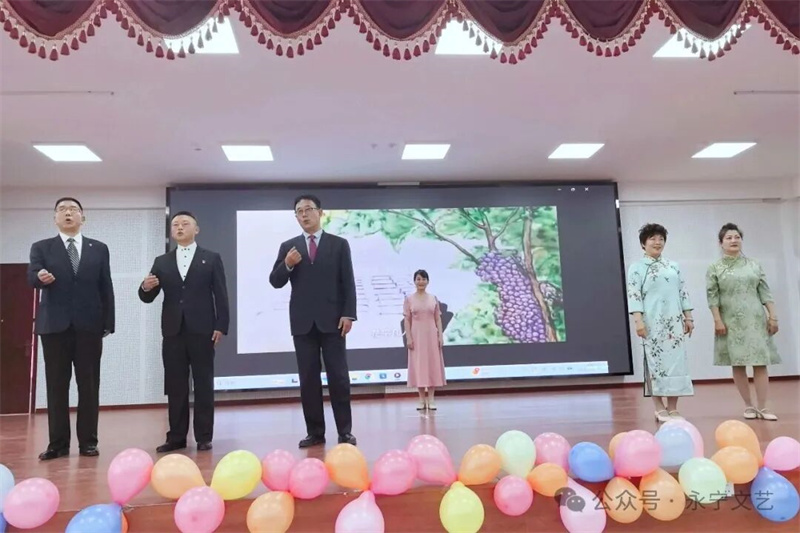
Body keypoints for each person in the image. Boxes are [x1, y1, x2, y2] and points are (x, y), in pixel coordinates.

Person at [27, 197, 115, 460]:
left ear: (82, 218)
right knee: (56, 386)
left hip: (90, 326)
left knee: (89, 385)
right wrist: (39, 277)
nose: (68, 213)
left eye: (73, 209)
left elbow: (105, 286)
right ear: (55, 218)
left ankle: (88, 442)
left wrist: (109, 322)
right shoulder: (42, 247)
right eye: (62, 210)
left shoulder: (99, 248)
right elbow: (32, 275)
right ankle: (58, 444)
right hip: (54, 327)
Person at [269, 194, 357, 448]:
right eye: (299, 211)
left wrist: (348, 314)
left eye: (309, 209)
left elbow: (348, 282)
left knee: (339, 378)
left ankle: (345, 431)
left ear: (320, 212)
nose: (304, 214)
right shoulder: (289, 247)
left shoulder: (339, 244)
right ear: (295, 217)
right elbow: (275, 281)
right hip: (302, 323)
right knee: (308, 379)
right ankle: (315, 432)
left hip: (333, 322)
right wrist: (287, 264)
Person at [139, 211, 229, 452]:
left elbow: (221, 294)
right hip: (173, 331)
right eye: (175, 224)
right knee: (176, 385)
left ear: (196, 229)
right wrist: (145, 287)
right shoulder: (162, 261)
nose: (179, 227)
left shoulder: (211, 258)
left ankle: (204, 436)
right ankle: (176, 437)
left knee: (203, 384)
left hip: (203, 329)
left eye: (185, 224)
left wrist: (221, 325)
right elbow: (148, 296)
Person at [706, 223, 781, 421]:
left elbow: (765, 292)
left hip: (755, 320)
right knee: (738, 363)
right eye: (729, 238)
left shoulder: (754, 264)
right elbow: (712, 297)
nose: (734, 240)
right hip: (730, 322)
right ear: (721, 243)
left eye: (737, 237)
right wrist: (717, 320)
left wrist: (773, 316)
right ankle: (748, 406)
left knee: (760, 362)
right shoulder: (715, 268)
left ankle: (763, 407)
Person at [626, 224, 694, 422]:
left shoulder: (673, 266)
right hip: (652, 322)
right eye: (652, 239)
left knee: (676, 364)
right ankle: (658, 407)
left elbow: (682, 292)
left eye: (661, 239)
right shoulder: (637, 268)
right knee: (654, 363)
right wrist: (638, 321)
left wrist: (688, 317)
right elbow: (634, 295)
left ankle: (673, 407)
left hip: (674, 322)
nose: (657, 242)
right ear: (643, 244)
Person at [404, 269, 447, 411]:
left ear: (428, 281)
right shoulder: (409, 299)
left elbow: (438, 318)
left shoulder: (433, 298)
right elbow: (407, 320)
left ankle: (431, 399)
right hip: (416, 336)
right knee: (419, 367)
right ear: (414, 281)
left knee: (432, 365)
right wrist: (409, 337)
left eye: (423, 279)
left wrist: (440, 336)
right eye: (418, 279)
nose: (421, 282)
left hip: (431, 336)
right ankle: (421, 399)